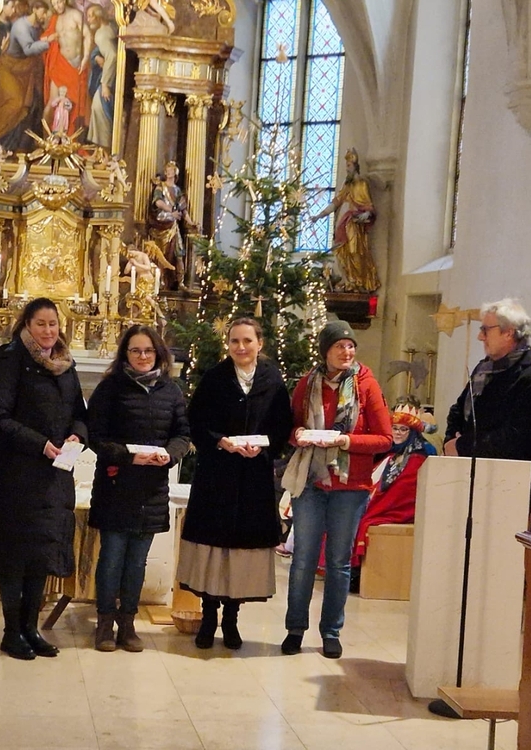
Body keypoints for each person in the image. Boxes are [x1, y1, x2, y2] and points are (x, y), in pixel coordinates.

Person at [177, 317, 293, 650]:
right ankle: (208, 617)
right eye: (234, 341)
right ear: (227, 345)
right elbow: (195, 421)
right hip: (217, 476)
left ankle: (231, 618)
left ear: (260, 343)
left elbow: (281, 425)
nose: (241, 347)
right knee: (214, 548)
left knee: (240, 551)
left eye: (247, 341)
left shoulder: (272, 379)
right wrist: (220, 440)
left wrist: (264, 446)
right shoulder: (215, 378)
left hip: (253, 479)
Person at [280, 319, 392, 659]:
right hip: (311, 481)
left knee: (339, 561)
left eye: (350, 345)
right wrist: (298, 435)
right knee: (303, 559)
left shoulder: (366, 385)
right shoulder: (308, 383)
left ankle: (331, 631)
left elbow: (385, 439)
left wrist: (346, 441)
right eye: (339, 346)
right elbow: (290, 428)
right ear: (325, 351)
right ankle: (295, 629)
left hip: (350, 484)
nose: (347, 351)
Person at [0, 297, 86, 661]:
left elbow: (80, 413)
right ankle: (11, 632)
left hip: (55, 475)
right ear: (26, 324)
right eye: (40, 323)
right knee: (16, 553)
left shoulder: (65, 363)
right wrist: (39, 444)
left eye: (53, 324)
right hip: (18, 472)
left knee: (42, 552)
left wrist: (77, 435)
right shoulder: (10, 358)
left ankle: (31, 628)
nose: (48, 330)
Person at [87, 325, 189, 652]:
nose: (143, 356)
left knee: (136, 562)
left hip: (151, 490)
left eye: (148, 350)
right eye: (135, 350)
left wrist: (169, 454)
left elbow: (182, 434)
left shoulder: (171, 390)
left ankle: (127, 624)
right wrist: (128, 456)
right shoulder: (110, 388)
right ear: (125, 354)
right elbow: (95, 436)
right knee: (112, 558)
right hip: (116, 486)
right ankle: (105, 624)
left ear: (158, 353)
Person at [443, 298, 531, 501]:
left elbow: (516, 440)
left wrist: (460, 446)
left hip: (505, 489)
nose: (480, 337)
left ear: (508, 332)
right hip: (464, 478)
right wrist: (450, 442)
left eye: (485, 330)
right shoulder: (483, 369)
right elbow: (458, 410)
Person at [352, 403, 436, 567]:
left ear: (412, 432)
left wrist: (369, 507)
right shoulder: (388, 454)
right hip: (375, 502)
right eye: (395, 428)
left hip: (396, 510)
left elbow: (402, 494)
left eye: (403, 429)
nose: (397, 433)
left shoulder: (417, 459)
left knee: (358, 519)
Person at [311, 148, 380, 293]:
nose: (347, 169)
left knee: (355, 252)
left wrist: (366, 214)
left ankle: (358, 281)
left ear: (355, 166)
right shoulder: (346, 186)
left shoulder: (362, 184)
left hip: (355, 224)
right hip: (343, 224)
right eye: (346, 166)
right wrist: (319, 216)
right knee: (342, 252)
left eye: (349, 166)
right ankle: (349, 280)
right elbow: (336, 203)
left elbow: (368, 205)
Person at [0, 0, 51, 150]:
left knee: (27, 107)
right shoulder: (19, 26)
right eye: (11, 6)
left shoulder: (29, 26)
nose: (14, 10)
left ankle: (13, 145)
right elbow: (28, 49)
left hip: (24, 71)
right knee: (16, 102)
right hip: (8, 68)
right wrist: (48, 42)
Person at [42, 0, 91, 134]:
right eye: (54, 4)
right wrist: (49, 38)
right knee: (51, 104)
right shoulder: (54, 19)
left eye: (59, 2)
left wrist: (85, 58)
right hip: (59, 64)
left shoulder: (75, 15)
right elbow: (44, 38)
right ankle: (46, 140)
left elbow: (87, 35)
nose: (57, 6)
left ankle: (67, 140)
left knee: (71, 106)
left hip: (75, 66)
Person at [147, 162, 191, 290]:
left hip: (173, 225)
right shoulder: (160, 187)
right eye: (167, 170)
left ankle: (180, 281)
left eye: (171, 170)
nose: (169, 172)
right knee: (162, 253)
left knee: (179, 252)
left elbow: (183, 209)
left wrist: (190, 222)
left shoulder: (177, 190)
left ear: (175, 173)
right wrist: (171, 211)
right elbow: (158, 202)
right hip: (162, 222)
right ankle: (160, 280)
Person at [86, 3, 116, 148]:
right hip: (109, 77)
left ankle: (104, 149)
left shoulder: (101, 34)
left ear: (98, 17)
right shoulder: (109, 28)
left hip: (108, 80)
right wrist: (96, 56)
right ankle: (101, 150)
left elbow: (112, 55)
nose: (88, 20)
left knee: (99, 108)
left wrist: (105, 84)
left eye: (90, 16)